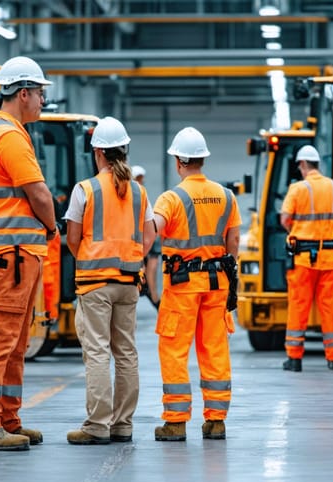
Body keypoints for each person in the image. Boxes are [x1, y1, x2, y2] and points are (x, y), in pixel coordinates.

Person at [0, 56, 58, 452]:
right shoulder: (9, 136)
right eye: (39, 93)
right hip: (7, 257)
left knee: (13, 344)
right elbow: (39, 194)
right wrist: (52, 227)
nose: (42, 101)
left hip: (9, 257)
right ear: (22, 94)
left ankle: (6, 419)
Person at [64, 117, 156, 445]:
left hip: (94, 284)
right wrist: (130, 257)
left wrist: (89, 258)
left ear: (98, 152)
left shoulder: (85, 190)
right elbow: (149, 236)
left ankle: (97, 425)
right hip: (129, 282)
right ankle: (123, 425)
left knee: (98, 352)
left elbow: (72, 238)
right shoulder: (139, 192)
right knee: (126, 353)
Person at [152, 127, 241, 442]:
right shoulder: (226, 196)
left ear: (179, 161)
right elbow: (233, 242)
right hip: (217, 283)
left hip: (182, 286)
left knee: (175, 349)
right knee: (214, 348)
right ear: (202, 160)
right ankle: (216, 420)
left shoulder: (171, 198)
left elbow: (154, 229)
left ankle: (176, 422)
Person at [280, 145, 333, 372]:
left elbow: (285, 219)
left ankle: (294, 359)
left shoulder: (297, 189)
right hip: (330, 258)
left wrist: (295, 231)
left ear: (303, 164)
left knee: (299, 307)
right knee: (330, 308)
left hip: (303, 259)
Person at [133, 165, 162, 308]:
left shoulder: (142, 196)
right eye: (137, 179)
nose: (140, 182)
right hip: (137, 243)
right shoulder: (133, 196)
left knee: (152, 265)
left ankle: (154, 296)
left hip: (145, 241)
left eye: (141, 179)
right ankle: (154, 297)